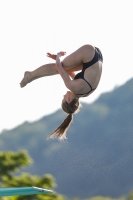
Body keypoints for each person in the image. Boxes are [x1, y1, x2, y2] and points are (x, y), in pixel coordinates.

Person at [20, 44, 103, 140]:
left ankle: (30, 76)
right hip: (89, 53)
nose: (63, 95)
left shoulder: (84, 93)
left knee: (65, 67)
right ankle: (29, 76)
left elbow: (69, 72)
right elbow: (59, 67)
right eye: (63, 98)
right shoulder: (72, 86)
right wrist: (58, 56)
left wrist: (59, 60)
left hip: (97, 56)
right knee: (58, 68)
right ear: (68, 100)